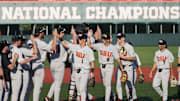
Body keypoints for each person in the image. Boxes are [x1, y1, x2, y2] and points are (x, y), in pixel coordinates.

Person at [87, 34, 124, 101]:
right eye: (103, 38)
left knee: (108, 84)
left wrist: (122, 69)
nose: (104, 40)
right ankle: (112, 95)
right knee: (105, 83)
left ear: (109, 40)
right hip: (101, 67)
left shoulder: (112, 48)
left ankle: (107, 99)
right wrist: (89, 36)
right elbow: (89, 45)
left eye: (106, 39)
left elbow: (118, 59)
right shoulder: (99, 45)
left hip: (109, 66)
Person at [62, 33, 95, 101]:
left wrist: (92, 72)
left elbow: (92, 62)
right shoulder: (75, 47)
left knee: (82, 89)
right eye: (79, 38)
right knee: (79, 90)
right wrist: (59, 38)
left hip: (84, 72)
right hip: (77, 72)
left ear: (84, 39)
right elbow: (66, 44)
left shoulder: (88, 50)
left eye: (80, 38)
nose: (79, 40)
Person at [27, 26, 57, 101]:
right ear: (40, 33)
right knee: (37, 87)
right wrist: (55, 37)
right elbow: (53, 50)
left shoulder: (29, 41)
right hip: (39, 66)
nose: (44, 34)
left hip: (30, 65)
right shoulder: (41, 43)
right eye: (43, 32)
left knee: (29, 87)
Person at [9, 35, 38, 101]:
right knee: (20, 93)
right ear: (18, 41)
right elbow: (22, 61)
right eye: (22, 41)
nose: (23, 42)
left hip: (11, 71)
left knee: (11, 93)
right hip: (18, 71)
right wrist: (33, 42)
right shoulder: (19, 49)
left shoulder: (10, 47)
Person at [44, 26, 68, 101]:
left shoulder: (51, 42)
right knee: (58, 85)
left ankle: (48, 98)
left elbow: (48, 52)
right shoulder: (58, 42)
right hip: (59, 64)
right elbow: (54, 49)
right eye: (62, 33)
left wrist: (49, 61)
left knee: (56, 82)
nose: (63, 34)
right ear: (58, 33)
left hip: (52, 64)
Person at [115, 33, 137, 101]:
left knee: (129, 85)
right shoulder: (116, 47)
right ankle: (120, 98)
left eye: (120, 37)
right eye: (118, 37)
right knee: (118, 83)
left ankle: (132, 98)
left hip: (128, 67)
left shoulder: (129, 47)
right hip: (120, 67)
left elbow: (133, 58)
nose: (118, 39)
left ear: (123, 38)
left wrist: (124, 58)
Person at [19, 35, 38, 101]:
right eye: (23, 41)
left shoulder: (18, 49)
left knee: (23, 90)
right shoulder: (22, 49)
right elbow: (35, 52)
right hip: (24, 71)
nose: (25, 42)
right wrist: (33, 41)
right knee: (24, 90)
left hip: (22, 71)